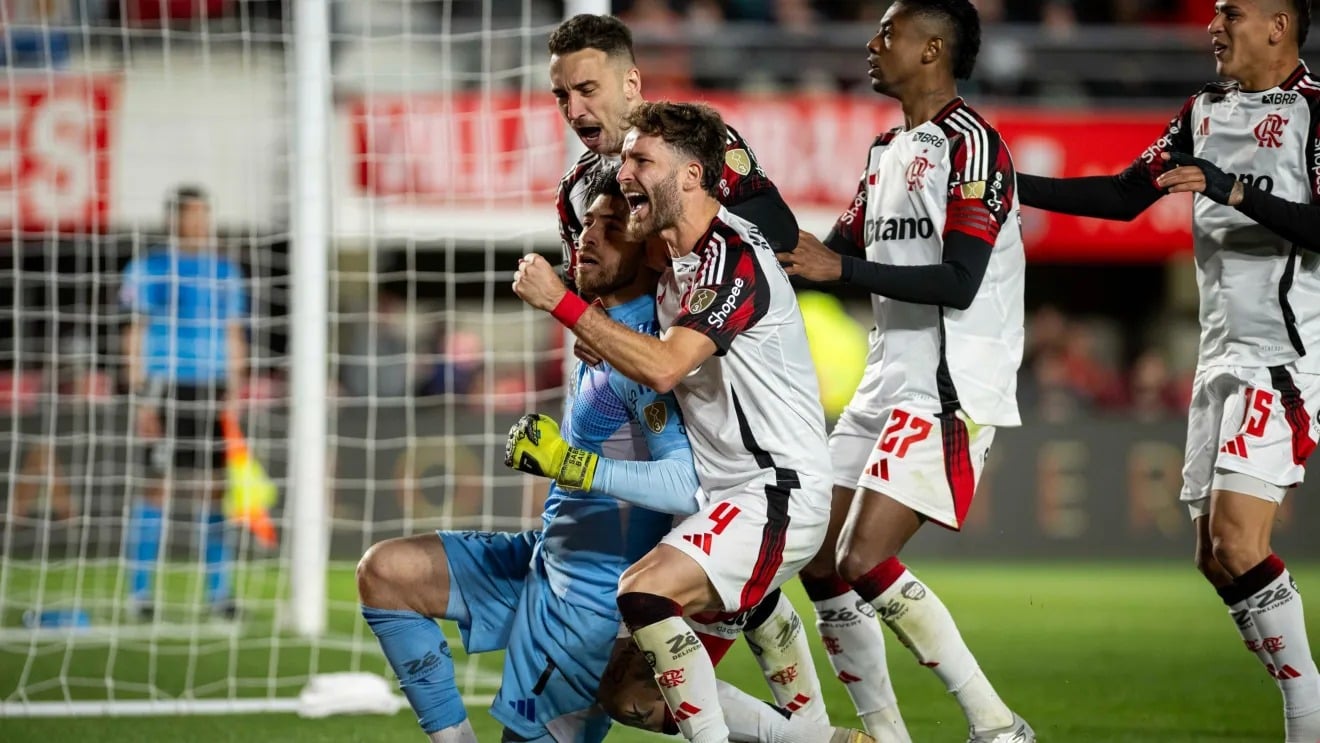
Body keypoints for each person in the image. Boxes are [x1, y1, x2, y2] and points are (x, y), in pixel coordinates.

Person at [514, 101, 868, 743]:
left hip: (776, 490)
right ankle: (819, 733)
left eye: (642, 160)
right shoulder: (671, 262)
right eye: (626, 159)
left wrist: (563, 306)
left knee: (645, 593)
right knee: (625, 690)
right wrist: (599, 324)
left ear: (692, 177)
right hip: (721, 498)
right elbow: (622, 304)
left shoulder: (731, 257)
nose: (625, 173)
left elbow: (666, 366)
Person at [1014, 0, 1320, 737]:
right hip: (1220, 360)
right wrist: (1010, 184)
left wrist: (1234, 188)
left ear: (1278, 25)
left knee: (1242, 543)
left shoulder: (1313, 113)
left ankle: (1308, 713)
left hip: (1280, 359)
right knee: (1215, 556)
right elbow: (1124, 196)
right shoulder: (1202, 111)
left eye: (1231, 13)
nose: (1214, 27)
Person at [358, 171, 709, 743]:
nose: (588, 236)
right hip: (542, 560)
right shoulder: (596, 333)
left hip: (591, 605)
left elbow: (683, 485)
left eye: (610, 226)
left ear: (647, 250)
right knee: (385, 572)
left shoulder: (643, 349)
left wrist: (570, 465)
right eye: (587, 223)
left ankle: (797, 735)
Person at [780, 1, 1037, 741]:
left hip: (948, 388)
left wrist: (842, 264)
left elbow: (959, 279)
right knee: (816, 556)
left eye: (887, 32)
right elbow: (824, 258)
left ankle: (995, 724)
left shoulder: (976, 146)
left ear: (932, 49)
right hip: (885, 380)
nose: (871, 43)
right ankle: (886, 733)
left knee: (863, 554)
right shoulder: (886, 151)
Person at [120, 185, 247, 621]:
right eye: (191, 215)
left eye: (203, 215)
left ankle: (220, 593)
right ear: (174, 219)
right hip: (166, 383)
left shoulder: (225, 271)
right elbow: (134, 329)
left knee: (216, 489)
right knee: (157, 486)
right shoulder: (150, 268)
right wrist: (140, 395)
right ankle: (140, 594)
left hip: (212, 387)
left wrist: (235, 390)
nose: (198, 223)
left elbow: (234, 331)